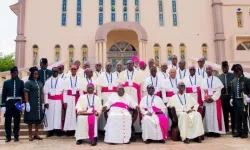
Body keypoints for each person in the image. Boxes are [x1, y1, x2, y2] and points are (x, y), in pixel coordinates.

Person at [1, 66, 24, 142]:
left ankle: (16, 136)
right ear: (10, 73)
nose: (13, 74)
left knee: (17, 120)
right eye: (12, 72)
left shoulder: (21, 82)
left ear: (17, 73)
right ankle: (8, 136)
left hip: (18, 102)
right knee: (7, 120)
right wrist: (3, 105)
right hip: (9, 102)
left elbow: (23, 94)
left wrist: (23, 104)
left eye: (15, 72)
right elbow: (4, 94)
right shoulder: (6, 82)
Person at [201, 65, 225, 137]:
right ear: (206, 71)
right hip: (207, 101)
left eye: (209, 69)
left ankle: (216, 131)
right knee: (207, 116)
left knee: (215, 116)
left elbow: (218, 90)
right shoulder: (203, 80)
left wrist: (213, 98)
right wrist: (205, 98)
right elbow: (202, 91)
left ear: (212, 70)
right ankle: (208, 131)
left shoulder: (216, 79)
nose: (208, 70)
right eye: (207, 69)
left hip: (215, 101)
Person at [118, 60, 142, 132]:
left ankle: (136, 128)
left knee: (135, 108)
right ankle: (125, 127)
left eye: (130, 64)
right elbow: (120, 84)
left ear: (133, 64)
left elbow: (140, 85)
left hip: (135, 93)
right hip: (126, 93)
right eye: (127, 64)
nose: (129, 65)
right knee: (126, 109)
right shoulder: (122, 73)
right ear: (126, 65)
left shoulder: (138, 73)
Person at [24, 66, 44, 141]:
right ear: (32, 74)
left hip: (38, 104)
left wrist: (42, 103)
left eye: (37, 73)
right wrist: (27, 103)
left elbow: (42, 94)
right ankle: (30, 135)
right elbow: (25, 93)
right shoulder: (28, 83)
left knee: (38, 120)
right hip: (31, 103)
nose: (36, 74)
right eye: (34, 73)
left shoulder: (40, 83)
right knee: (30, 120)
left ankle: (36, 134)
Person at [231, 64, 250, 138]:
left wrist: (249, 97)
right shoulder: (233, 81)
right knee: (237, 117)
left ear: (241, 71)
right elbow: (233, 91)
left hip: (243, 101)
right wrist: (232, 98)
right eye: (234, 72)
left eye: (237, 72)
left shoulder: (247, 80)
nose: (235, 74)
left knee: (244, 117)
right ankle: (238, 131)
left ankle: (245, 132)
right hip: (236, 101)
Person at [97, 62, 118, 130]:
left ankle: (112, 127)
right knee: (104, 110)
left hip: (113, 95)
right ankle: (103, 128)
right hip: (104, 95)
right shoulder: (101, 75)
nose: (109, 67)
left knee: (113, 110)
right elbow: (98, 87)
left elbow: (117, 86)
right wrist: (100, 97)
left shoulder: (115, 75)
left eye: (110, 66)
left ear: (112, 67)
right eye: (107, 66)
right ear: (105, 67)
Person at [63, 65, 83, 136]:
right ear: (70, 70)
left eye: (75, 69)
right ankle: (69, 130)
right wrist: (64, 101)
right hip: (69, 98)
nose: (73, 70)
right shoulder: (66, 79)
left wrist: (81, 101)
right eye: (72, 69)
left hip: (77, 97)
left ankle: (76, 130)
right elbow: (65, 91)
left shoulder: (80, 79)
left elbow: (81, 91)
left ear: (76, 70)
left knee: (76, 114)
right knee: (69, 114)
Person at [44, 67, 64, 137]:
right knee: (50, 115)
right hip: (50, 101)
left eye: (56, 71)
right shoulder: (48, 81)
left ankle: (57, 130)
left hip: (58, 101)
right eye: (54, 71)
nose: (55, 72)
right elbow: (45, 93)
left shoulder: (62, 81)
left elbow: (63, 92)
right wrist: (46, 102)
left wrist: (64, 102)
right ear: (52, 72)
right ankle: (50, 131)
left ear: (58, 71)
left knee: (58, 115)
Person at [218, 61, 235, 133]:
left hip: (231, 97)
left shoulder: (233, 75)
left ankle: (234, 129)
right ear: (221, 68)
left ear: (228, 67)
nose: (225, 69)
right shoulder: (219, 77)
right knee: (224, 114)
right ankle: (226, 129)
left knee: (233, 113)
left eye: (226, 67)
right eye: (223, 67)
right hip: (223, 98)